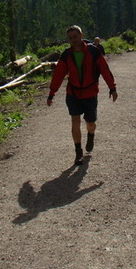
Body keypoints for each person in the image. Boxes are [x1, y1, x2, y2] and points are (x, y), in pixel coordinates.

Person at [47, 25, 118, 165]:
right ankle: (78, 152)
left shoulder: (93, 51)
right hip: (73, 94)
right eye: (70, 38)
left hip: (90, 93)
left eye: (75, 36)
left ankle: (91, 135)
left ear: (81, 35)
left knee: (90, 124)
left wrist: (112, 88)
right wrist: (51, 93)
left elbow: (104, 69)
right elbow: (58, 75)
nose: (73, 40)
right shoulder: (67, 55)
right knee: (75, 121)